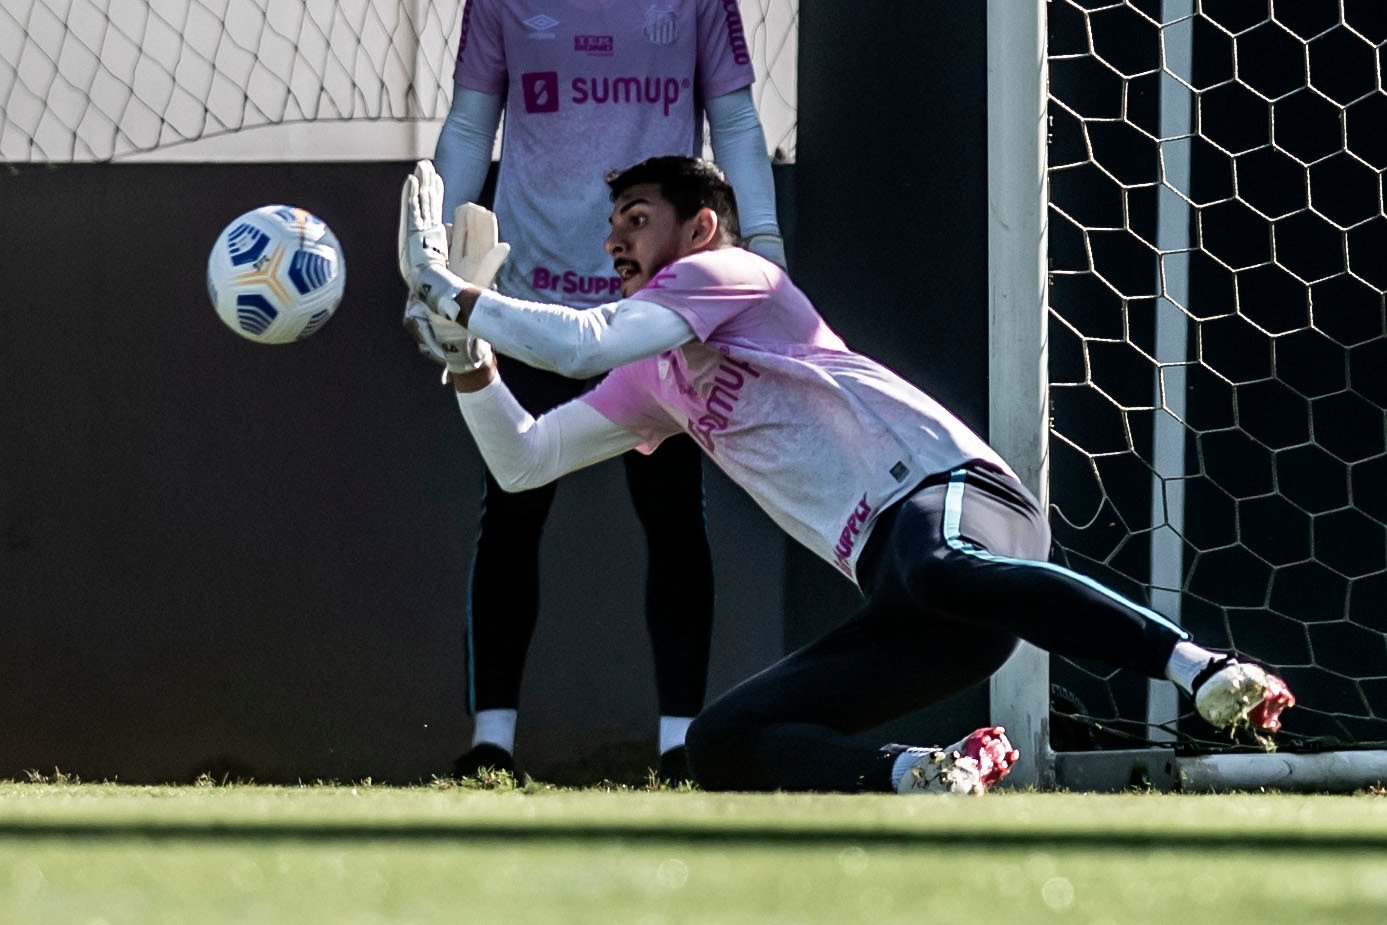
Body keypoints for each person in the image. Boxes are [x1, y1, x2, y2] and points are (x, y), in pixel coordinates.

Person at [397, 156, 1296, 793]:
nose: (616, 242)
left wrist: (448, 288)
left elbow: (579, 339)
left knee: (933, 563)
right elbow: (525, 463)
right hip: (919, 595)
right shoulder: (654, 381)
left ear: (700, 226)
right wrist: (468, 362)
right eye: (613, 227)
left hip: (954, 500)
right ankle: (922, 774)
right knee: (721, 744)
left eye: (637, 218)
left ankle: (1201, 667)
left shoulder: (732, 270)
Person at [421, 0, 787, 782]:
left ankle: (678, 748)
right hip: (528, 297)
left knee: (671, 518)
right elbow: (465, 129)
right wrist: (439, 264)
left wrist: (765, 250)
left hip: (654, 311)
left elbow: (737, 125)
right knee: (513, 512)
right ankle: (490, 747)